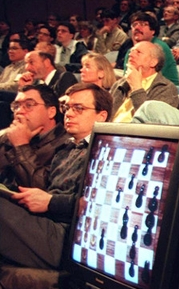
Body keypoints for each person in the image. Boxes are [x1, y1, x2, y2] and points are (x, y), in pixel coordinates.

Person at [0, 83, 111, 278]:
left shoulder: (105, 151)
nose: (69, 113)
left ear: (101, 116)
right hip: (45, 224)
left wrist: (50, 202)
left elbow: (97, 206)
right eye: (67, 108)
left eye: (79, 109)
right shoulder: (66, 149)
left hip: (70, 237)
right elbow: (42, 190)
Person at [0, 85, 70, 190]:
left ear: (51, 112)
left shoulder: (66, 144)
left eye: (29, 105)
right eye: (16, 106)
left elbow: (42, 188)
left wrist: (21, 146)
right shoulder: (9, 135)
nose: (19, 111)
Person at [110, 41, 179, 123]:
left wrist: (136, 88)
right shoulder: (119, 84)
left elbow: (152, 122)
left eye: (138, 52)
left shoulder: (166, 89)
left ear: (153, 62)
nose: (130, 55)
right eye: (131, 51)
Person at [121, 12, 179, 86]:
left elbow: (150, 79)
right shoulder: (131, 51)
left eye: (143, 24)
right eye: (134, 25)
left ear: (153, 31)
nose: (137, 28)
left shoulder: (159, 48)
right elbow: (126, 78)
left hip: (162, 90)